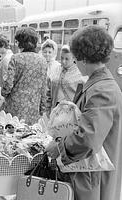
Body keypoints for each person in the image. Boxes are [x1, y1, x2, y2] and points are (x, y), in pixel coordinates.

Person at [45, 25, 122, 200]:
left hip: (94, 176)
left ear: (84, 59)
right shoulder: (100, 85)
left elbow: (88, 138)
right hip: (91, 173)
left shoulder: (102, 91)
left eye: (76, 59)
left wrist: (59, 147)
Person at [1, 27, 47, 125]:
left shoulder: (16, 58)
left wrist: (4, 93)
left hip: (15, 106)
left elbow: (8, 84)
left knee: (13, 134)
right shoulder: (42, 61)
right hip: (33, 106)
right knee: (29, 136)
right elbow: (43, 88)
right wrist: (42, 108)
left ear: (20, 43)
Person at [46, 45, 87, 117]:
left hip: (71, 111)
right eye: (61, 58)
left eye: (67, 59)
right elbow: (49, 90)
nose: (63, 61)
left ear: (74, 58)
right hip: (55, 108)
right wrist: (48, 107)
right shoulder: (56, 69)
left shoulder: (80, 72)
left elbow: (84, 96)